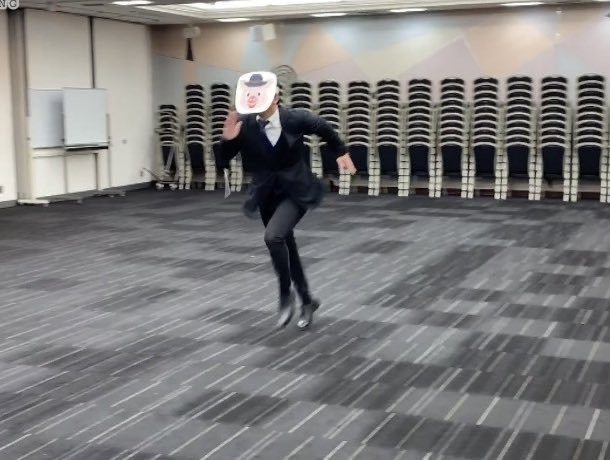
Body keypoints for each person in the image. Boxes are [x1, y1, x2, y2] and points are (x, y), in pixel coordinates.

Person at [220, 71, 357, 330]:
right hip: (266, 194)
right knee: (286, 247)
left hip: (296, 191)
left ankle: (285, 293)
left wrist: (340, 151)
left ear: (276, 98)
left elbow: (323, 127)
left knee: (273, 237)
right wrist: (227, 140)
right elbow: (224, 158)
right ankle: (307, 300)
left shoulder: (294, 118)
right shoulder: (246, 124)